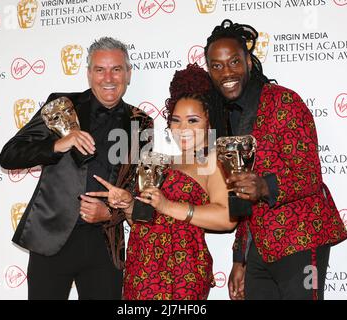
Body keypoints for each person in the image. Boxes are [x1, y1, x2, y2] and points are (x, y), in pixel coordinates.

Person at [204, 19, 347, 300]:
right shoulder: (225, 118)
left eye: (234, 61)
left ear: (248, 60)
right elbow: (241, 192)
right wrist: (239, 259)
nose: (226, 72)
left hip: (301, 239)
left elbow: (309, 175)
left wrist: (265, 186)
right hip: (259, 246)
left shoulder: (284, 102)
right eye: (216, 66)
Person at [0, 37, 152, 300]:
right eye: (100, 69)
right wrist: (58, 144)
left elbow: (142, 192)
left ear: (128, 73)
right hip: (52, 240)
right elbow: (9, 156)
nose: (108, 78)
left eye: (116, 69)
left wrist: (110, 214)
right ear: (88, 73)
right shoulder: (61, 105)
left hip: (105, 247)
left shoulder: (142, 122)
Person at [88, 63, 237, 300]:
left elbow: (227, 218)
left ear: (209, 121)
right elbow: (146, 219)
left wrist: (168, 206)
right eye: (176, 120)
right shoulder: (161, 161)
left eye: (193, 120)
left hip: (182, 271)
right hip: (141, 268)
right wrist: (128, 205)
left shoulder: (215, 161)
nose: (183, 128)